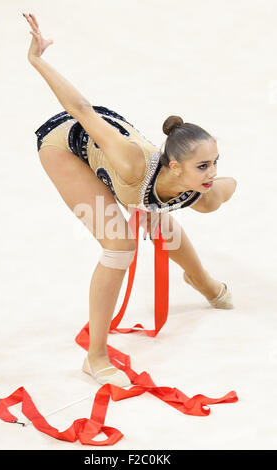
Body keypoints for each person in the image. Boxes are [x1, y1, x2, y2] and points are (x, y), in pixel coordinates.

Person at [23, 13, 237, 387]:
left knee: (158, 218)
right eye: (203, 165)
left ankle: (200, 280)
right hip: (66, 144)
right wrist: (38, 59)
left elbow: (226, 187)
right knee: (119, 244)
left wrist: (216, 184)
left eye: (215, 163)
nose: (211, 173)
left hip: (118, 157)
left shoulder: (201, 191)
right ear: (174, 166)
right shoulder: (131, 164)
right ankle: (96, 356)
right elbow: (82, 110)